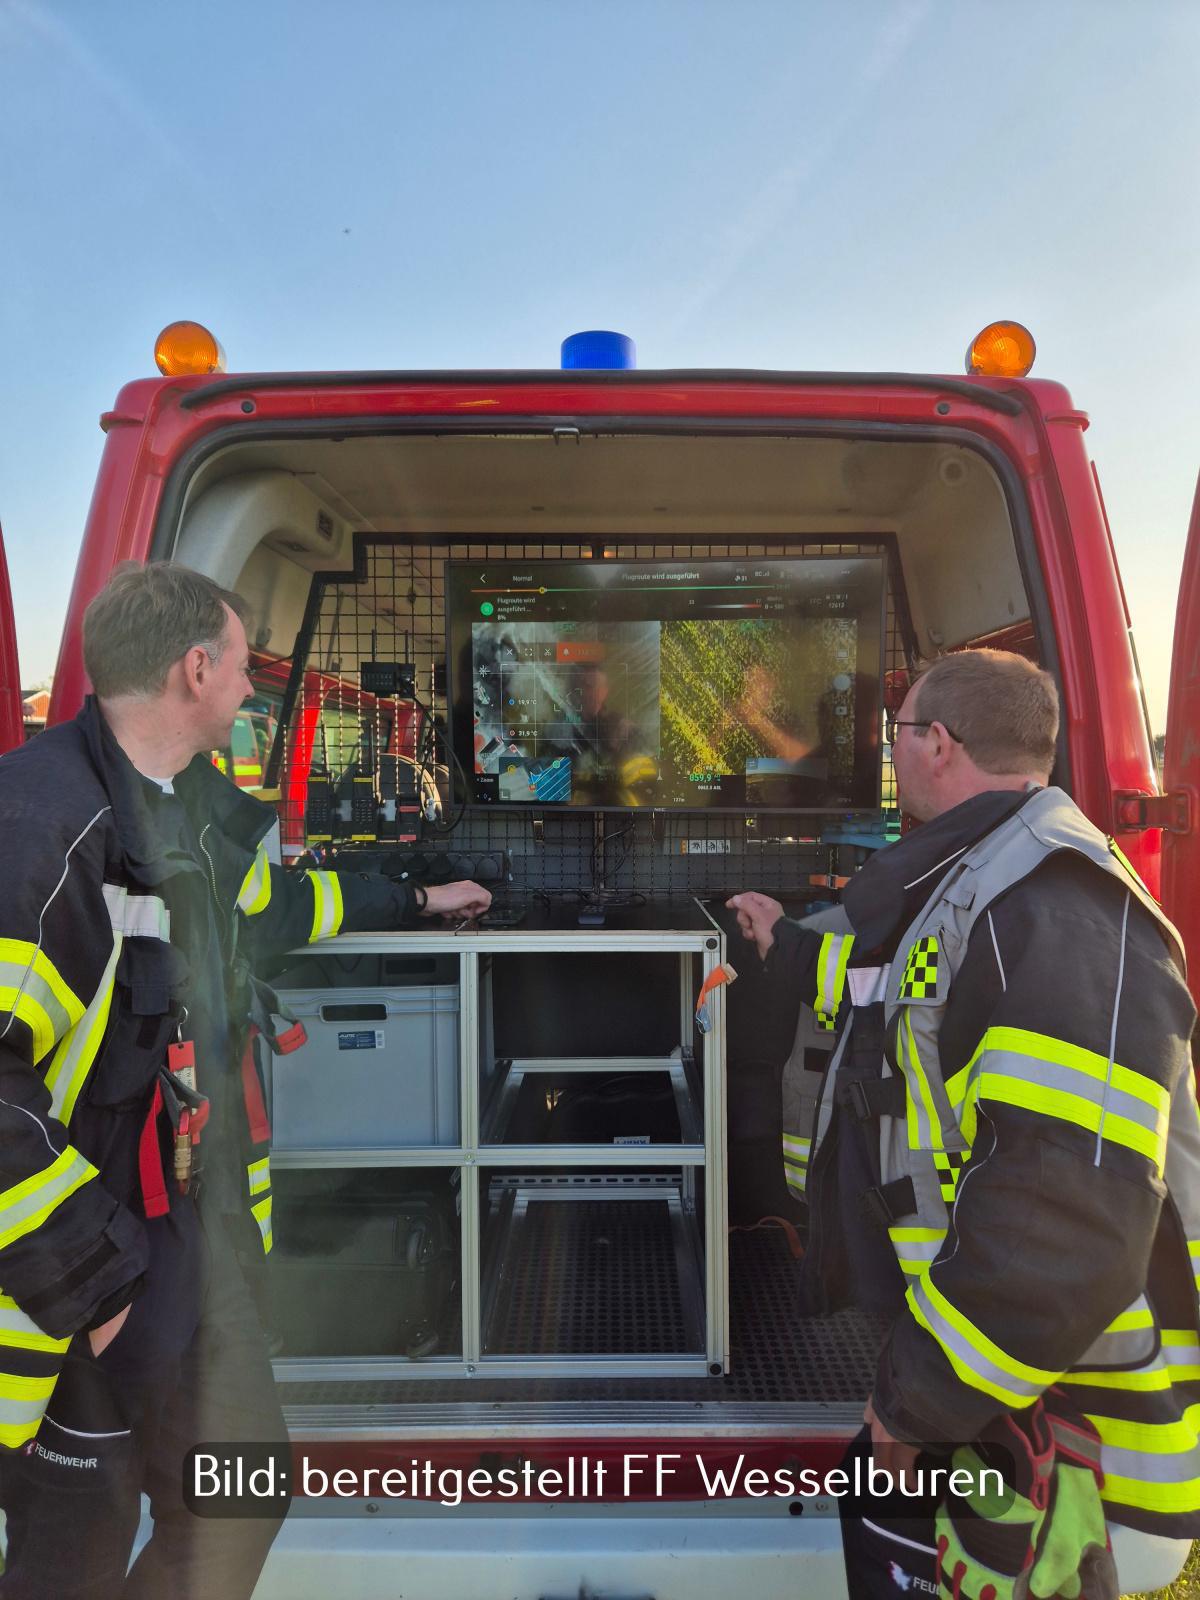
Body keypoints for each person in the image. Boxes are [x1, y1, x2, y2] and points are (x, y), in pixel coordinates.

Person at [0, 563, 491, 1598]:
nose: (253, 688)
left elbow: (273, 911)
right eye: (240, 663)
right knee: (71, 1558)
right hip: (74, 1281)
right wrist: (97, 1293)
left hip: (192, 1235)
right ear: (194, 668)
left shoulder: (194, 813)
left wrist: (415, 897)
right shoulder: (38, 831)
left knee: (243, 1489)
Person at [728, 649, 1199, 1597]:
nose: (889, 756)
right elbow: (900, 992)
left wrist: (914, 1409)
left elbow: (1059, 1226)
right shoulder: (986, 872)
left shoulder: (1059, 910)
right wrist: (784, 945)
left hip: (1046, 1425)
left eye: (896, 736)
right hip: (986, 1388)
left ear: (937, 742)